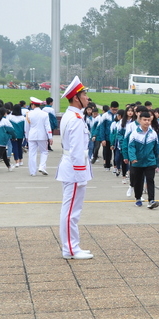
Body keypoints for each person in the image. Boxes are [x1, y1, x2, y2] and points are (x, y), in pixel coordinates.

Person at [56, 76, 94, 260]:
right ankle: (70, 249)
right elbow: (78, 151)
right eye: (84, 94)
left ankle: (73, 246)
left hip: (71, 168)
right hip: (74, 170)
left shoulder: (70, 116)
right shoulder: (76, 119)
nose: (87, 97)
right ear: (76, 98)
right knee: (71, 212)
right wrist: (81, 176)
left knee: (72, 211)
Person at [127, 110, 159, 209]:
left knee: (150, 179)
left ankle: (151, 200)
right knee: (138, 180)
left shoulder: (153, 134)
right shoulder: (134, 134)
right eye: (144, 120)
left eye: (148, 120)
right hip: (137, 162)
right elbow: (131, 147)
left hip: (150, 161)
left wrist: (156, 162)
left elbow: (156, 148)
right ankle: (138, 198)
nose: (146, 122)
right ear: (140, 120)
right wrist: (133, 158)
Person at [25, 97, 52, 176]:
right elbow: (47, 126)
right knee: (44, 152)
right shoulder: (45, 114)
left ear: (33, 105)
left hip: (31, 135)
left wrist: (27, 136)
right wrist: (50, 137)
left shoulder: (28, 114)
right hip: (42, 135)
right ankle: (42, 166)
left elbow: (26, 127)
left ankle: (32, 172)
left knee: (32, 154)